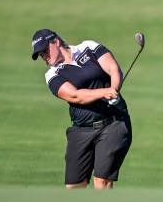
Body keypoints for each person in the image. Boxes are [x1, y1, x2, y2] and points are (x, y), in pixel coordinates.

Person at [31, 29, 132, 189]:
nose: (44, 56)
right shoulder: (52, 74)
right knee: (74, 187)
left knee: (102, 182)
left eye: (45, 50)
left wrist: (114, 89)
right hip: (82, 130)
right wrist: (105, 92)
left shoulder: (88, 47)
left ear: (55, 42)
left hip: (113, 123)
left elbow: (113, 69)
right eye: (40, 54)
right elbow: (75, 96)